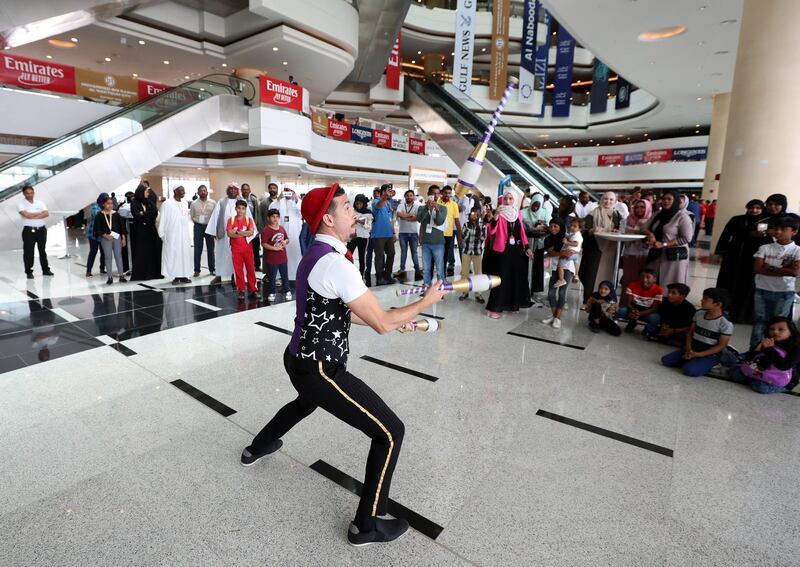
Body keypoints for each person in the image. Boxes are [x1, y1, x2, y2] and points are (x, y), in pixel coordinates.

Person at [242, 183, 447, 546]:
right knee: (390, 432)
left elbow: (343, 313)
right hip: (321, 368)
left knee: (305, 401)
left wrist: (393, 319)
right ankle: (365, 526)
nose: (355, 214)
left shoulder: (316, 254)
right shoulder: (336, 264)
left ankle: (256, 447)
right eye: (348, 208)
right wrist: (424, 301)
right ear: (328, 219)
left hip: (297, 358)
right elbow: (382, 323)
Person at [749, 215, 800, 349]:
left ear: (794, 231)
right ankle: (754, 351)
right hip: (762, 289)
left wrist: (770, 267)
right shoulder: (765, 247)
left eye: (783, 229)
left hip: (784, 292)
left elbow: (794, 272)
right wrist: (782, 270)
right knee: (759, 322)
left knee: (779, 324)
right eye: (776, 229)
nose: (778, 232)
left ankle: (774, 353)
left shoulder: (797, 251)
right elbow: (757, 268)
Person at [714, 199, 765, 323]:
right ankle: (722, 309)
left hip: (751, 259)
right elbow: (726, 235)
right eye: (751, 207)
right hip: (733, 257)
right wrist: (720, 252)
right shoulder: (737, 219)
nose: (754, 210)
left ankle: (742, 314)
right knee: (728, 282)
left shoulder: (763, 222)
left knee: (746, 286)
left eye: (758, 208)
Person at [662, 288, 732, 377]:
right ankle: (694, 360)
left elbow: (721, 346)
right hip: (693, 349)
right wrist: (688, 348)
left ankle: (714, 365)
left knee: (689, 370)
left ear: (717, 304)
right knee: (666, 360)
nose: (701, 300)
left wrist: (699, 354)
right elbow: (690, 333)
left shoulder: (725, 323)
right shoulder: (699, 314)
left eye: (705, 299)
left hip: (709, 354)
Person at [485, 191, 533, 319]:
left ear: (514, 200)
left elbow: (521, 231)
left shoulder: (517, 212)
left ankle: (513, 304)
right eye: (505, 198)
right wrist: (495, 216)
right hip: (503, 251)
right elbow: (492, 230)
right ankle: (494, 308)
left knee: (514, 278)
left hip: (516, 251)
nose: (507, 201)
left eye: (510, 198)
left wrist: (527, 247)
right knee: (501, 279)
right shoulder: (500, 213)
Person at [730, 316, 800, 394]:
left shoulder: (795, 348)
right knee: (735, 374)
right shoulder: (767, 341)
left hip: (782, 378)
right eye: (772, 329)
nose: (775, 332)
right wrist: (756, 351)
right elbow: (751, 359)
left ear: (791, 332)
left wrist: (770, 350)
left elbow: (784, 366)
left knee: (761, 387)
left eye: (781, 329)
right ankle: (754, 378)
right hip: (762, 371)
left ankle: (753, 379)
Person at [643, 191, 693, 286]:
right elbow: (644, 227)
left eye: (669, 199)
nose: (666, 201)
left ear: (676, 201)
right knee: (655, 281)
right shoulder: (658, 214)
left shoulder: (682, 217)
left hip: (673, 256)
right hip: (657, 253)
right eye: (664, 199)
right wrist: (650, 234)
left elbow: (687, 238)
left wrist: (664, 244)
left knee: (670, 283)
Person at [207, 183, 253, 286]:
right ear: (227, 191)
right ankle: (218, 276)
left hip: (239, 235)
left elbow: (248, 216)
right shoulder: (222, 202)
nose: (232, 191)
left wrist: (249, 231)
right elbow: (215, 216)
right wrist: (213, 231)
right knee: (221, 255)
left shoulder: (242, 202)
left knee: (236, 257)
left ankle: (234, 276)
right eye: (230, 189)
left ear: (238, 191)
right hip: (224, 235)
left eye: (234, 189)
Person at [579, 192, 621, 302]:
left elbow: (620, 229)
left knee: (607, 274)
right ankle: (589, 300)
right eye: (606, 199)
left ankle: (606, 300)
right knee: (590, 275)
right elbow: (583, 231)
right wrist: (592, 230)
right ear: (601, 200)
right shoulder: (593, 213)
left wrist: (616, 231)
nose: (608, 202)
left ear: (615, 201)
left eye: (611, 200)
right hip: (594, 248)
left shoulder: (617, 214)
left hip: (610, 249)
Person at [158, 185, 193, 285]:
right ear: (175, 191)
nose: (183, 192)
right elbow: (163, 219)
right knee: (174, 255)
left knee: (185, 255)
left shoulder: (185, 203)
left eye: (184, 190)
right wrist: (162, 234)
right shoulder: (167, 204)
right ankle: (176, 276)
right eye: (181, 190)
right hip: (172, 235)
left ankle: (184, 275)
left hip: (184, 235)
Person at [17, 184, 54, 279]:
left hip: (41, 230)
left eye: (31, 193)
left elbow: (46, 214)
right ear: (23, 194)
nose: (29, 195)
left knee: (42, 250)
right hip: (29, 231)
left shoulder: (40, 202)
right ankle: (29, 271)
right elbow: (26, 215)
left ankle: (46, 270)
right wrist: (39, 213)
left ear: (33, 193)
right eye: (27, 193)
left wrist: (32, 214)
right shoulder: (20, 204)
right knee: (29, 251)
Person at [129, 184, 163, 281]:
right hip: (140, 232)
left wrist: (144, 214)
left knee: (154, 251)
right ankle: (142, 274)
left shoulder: (149, 202)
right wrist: (146, 215)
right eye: (146, 192)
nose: (148, 194)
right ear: (141, 192)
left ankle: (154, 273)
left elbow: (154, 213)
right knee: (142, 252)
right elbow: (137, 216)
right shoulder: (134, 203)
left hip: (150, 230)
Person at [227, 200, 260, 300]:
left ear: (245, 209)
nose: (241, 210)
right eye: (239, 208)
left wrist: (237, 232)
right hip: (236, 250)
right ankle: (241, 290)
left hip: (248, 250)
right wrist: (243, 232)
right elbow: (229, 234)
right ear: (236, 208)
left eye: (243, 208)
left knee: (251, 269)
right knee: (238, 271)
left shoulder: (248, 219)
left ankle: (253, 289)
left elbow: (250, 233)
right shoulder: (231, 220)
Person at [93, 194, 128, 285]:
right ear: (103, 204)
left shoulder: (116, 214)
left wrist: (123, 238)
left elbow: (121, 227)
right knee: (108, 257)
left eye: (111, 203)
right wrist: (105, 235)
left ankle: (121, 275)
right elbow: (97, 229)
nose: (110, 205)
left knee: (118, 256)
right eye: (108, 203)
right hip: (106, 238)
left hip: (116, 237)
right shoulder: (99, 215)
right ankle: (109, 277)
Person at [417, 185, 448, 287]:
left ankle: (440, 288)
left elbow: (439, 222)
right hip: (426, 242)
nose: (435, 196)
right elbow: (419, 219)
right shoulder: (422, 207)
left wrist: (437, 209)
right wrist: (427, 207)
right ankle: (427, 286)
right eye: (432, 193)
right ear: (428, 194)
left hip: (438, 242)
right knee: (426, 268)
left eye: (437, 193)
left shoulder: (443, 208)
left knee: (439, 268)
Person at [521, 194, 551, 297]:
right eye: (533, 205)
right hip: (526, 244)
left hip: (539, 243)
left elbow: (550, 226)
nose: (535, 208)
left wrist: (544, 227)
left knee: (536, 267)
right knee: (524, 266)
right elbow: (520, 226)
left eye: (537, 206)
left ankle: (533, 289)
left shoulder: (545, 213)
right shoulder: (524, 212)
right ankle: (523, 287)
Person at [620, 198, 653, 291]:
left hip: (646, 255)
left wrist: (635, 230)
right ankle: (625, 303)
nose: (639, 209)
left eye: (642, 207)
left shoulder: (652, 221)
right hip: (629, 254)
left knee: (642, 281)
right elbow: (623, 232)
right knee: (628, 279)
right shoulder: (629, 219)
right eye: (637, 207)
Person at [543, 219, 571, 329]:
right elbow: (550, 253)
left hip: (567, 268)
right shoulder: (548, 239)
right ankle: (554, 316)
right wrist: (561, 253)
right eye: (551, 226)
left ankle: (558, 319)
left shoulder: (567, 237)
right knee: (550, 293)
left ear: (561, 227)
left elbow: (570, 252)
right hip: (555, 268)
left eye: (556, 226)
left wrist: (561, 253)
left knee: (562, 293)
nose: (553, 228)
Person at [617, 268, 663, 332]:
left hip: (647, 312)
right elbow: (628, 303)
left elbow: (655, 308)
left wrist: (640, 314)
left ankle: (648, 329)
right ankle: (632, 322)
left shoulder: (658, 290)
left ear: (654, 279)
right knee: (622, 311)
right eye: (642, 277)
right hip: (633, 309)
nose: (644, 280)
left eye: (648, 277)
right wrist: (633, 311)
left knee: (655, 318)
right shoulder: (632, 285)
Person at [273, 187, 303, 285]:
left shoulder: (298, 201)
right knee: (280, 254)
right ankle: (280, 277)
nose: (287, 193)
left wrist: (297, 199)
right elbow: (272, 210)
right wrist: (278, 200)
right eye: (286, 191)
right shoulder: (279, 201)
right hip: (281, 231)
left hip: (295, 233)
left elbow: (303, 212)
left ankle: (296, 275)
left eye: (290, 191)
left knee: (295, 254)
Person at [370, 184, 397, 285]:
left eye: (391, 190)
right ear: (382, 192)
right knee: (379, 256)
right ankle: (379, 277)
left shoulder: (388, 204)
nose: (390, 192)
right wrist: (385, 197)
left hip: (389, 234)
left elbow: (390, 219)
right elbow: (378, 206)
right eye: (388, 190)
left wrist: (393, 232)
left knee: (391, 254)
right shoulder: (376, 201)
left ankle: (387, 275)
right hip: (378, 234)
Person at [261, 209, 290, 302]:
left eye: (277, 217)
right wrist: (275, 248)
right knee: (272, 277)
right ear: (268, 218)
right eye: (273, 217)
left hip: (282, 257)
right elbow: (264, 244)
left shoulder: (281, 228)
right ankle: (272, 292)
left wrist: (285, 241)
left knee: (284, 276)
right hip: (272, 259)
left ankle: (287, 290)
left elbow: (287, 239)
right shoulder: (266, 230)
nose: (275, 219)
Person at [459, 208, 486, 303]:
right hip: (466, 251)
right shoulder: (466, 224)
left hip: (477, 252)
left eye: (476, 214)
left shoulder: (482, 225)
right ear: (470, 214)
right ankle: (465, 292)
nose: (474, 215)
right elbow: (463, 237)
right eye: (472, 213)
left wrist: (478, 227)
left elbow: (482, 238)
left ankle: (478, 294)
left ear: (478, 215)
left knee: (478, 274)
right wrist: (470, 228)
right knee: (465, 273)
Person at [189, 184, 216, 277]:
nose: (203, 192)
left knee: (210, 249)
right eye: (201, 191)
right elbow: (192, 216)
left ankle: (212, 269)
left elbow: (215, 216)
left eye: (204, 190)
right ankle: (197, 270)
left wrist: (214, 229)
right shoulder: (193, 203)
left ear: (207, 192)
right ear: (198, 192)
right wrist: (197, 223)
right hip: (198, 227)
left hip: (209, 227)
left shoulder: (213, 202)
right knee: (197, 249)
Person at [394, 189, 421, 280]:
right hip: (403, 233)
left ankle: (417, 270)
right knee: (403, 252)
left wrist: (404, 216)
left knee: (414, 253)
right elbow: (399, 214)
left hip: (414, 233)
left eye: (411, 195)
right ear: (405, 197)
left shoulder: (417, 206)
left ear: (413, 197)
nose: (409, 197)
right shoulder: (401, 205)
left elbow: (417, 218)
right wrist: (410, 216)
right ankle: (402, 269)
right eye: (407, 195)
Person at [439, 185, 462, 278]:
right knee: (437, 255)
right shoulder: (437, 203)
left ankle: (442, 275)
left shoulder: (454, 205)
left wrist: (460, 235)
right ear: (442, 193)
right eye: (446, 193)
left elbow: (456, 220)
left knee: (445, 255)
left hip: (448, 234)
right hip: (437, 234)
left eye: (449, 193)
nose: (447, 195)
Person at [348, 195, 371, 283]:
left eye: (360, 203)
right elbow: (348, 222)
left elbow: (369, 226)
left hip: (363, 237)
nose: (358, 205)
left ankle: (361, 275)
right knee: (348, 256)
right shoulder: (352, 211)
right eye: (357, 203)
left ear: (364, 203)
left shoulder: (368, 212)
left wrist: (359, 221)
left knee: (362, 257)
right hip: (353, 237)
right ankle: (348, 274)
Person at [554, 217, 583, 288]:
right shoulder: (574, 233)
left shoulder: (577, 235)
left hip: (570, 253)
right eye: (571, 225)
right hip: (576, 253)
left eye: (575, 226)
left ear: (579, 229)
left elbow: (576, 244)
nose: (572, 227)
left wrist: (567, 242)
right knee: (576, 262)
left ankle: (561, 280)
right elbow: (569, 236)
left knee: (560, 265)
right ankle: (576, 275)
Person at [241, 183, 263, 272]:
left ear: (250, 190)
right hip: (242, 228)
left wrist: (258, 228)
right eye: (244, 189)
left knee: (255, 248)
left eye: (247, 189)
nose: (245, 191)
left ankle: (257, 266)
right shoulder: (238, 200)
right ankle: (245, 266)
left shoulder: (253, 200)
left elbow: (258, 214)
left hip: (253, 228)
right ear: (241, 190)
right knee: (244, 248)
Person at [85, 194, 106, 277]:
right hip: (93, 233)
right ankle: (88, 271)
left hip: (103, 233)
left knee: (103, 252)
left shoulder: (106, 206)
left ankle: (102, 268)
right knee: (93, 251)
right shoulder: (95, 206)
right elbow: (96, 214)